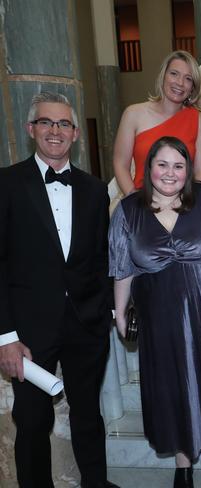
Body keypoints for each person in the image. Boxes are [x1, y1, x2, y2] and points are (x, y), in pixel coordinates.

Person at [109, 136, 201, 488]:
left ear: (188, 170)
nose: (170, 173)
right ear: (148, 168)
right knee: (173, 383)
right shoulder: (127, 211)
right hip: (159, 312)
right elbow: (123, 267)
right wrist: (121, 312)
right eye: (162, 164)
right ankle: (182, 464)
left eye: (178, 165)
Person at [0, 91, 118, 488]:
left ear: (75, 135)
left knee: (89, 417)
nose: (56, 131)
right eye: (47, 123)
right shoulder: (7, 184)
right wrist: (6, 336)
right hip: (29, 333)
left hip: (86, 326)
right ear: (31, 129)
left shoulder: (94, 189)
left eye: (64, 123)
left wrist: (104, 314)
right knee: (32, 422)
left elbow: (101, 260)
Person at [112, 50, 201, 194]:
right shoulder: (133, 114)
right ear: (163, 76)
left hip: (183, 207)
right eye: (174, 74)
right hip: (142, 202)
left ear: (192, 88)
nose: (180, 83)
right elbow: (120, 164)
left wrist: (188, 204)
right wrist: (134, 201)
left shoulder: (198, 119)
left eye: (188, 78)